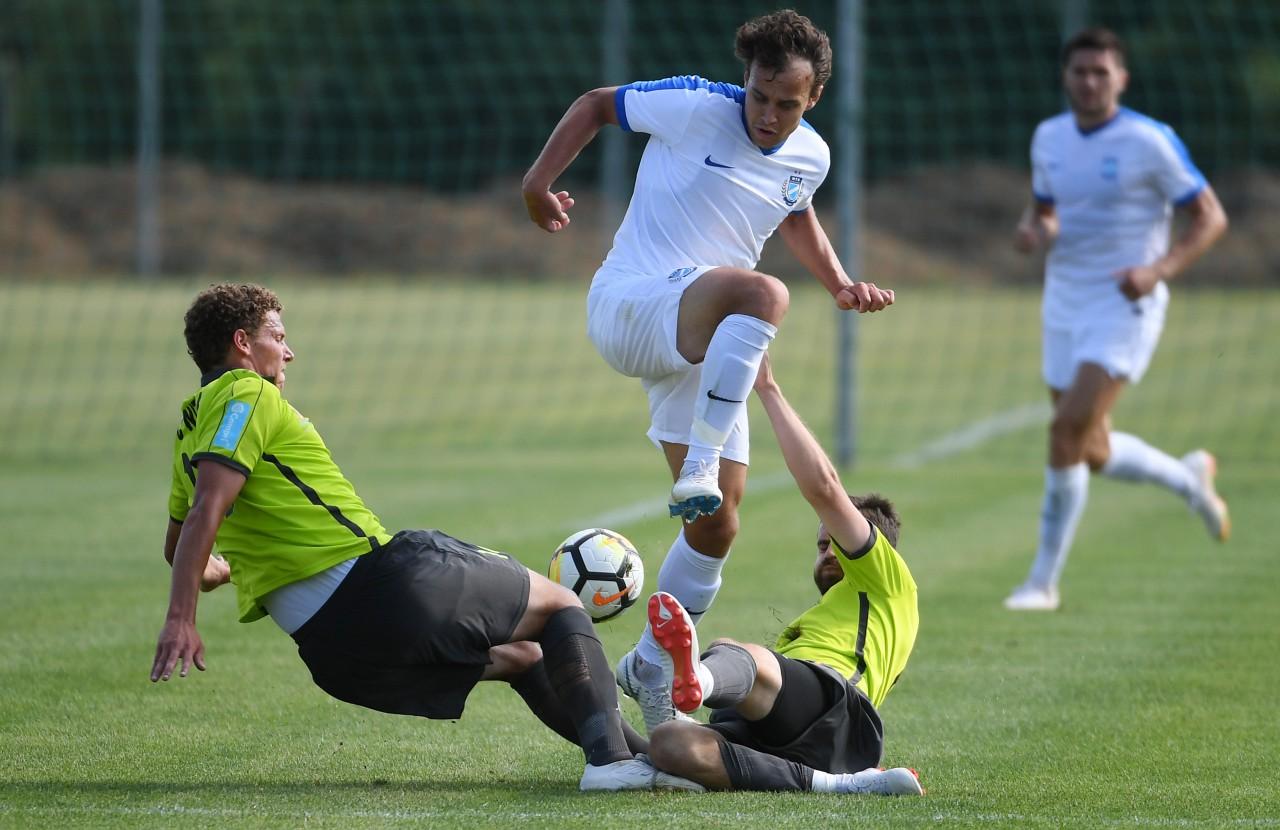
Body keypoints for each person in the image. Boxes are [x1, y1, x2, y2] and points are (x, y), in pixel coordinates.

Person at [149, 283, 702, 793]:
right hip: (382, 590)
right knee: (559, 603)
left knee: (524, 655)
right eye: (277, 336)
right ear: (242, 343)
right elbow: (208, 509)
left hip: (338, 658)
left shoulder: (189, 430)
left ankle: (647, 760)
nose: (288, 352)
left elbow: (184, 549)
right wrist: (181, 618)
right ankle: (611, 764)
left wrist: (233, 568)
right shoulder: (246, 393)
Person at [522, 8, 893, 732]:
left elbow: (794, 212)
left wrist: (842, 283)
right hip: (632, 303)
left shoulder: (810, 156)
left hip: (702, 335)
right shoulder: (695, 105)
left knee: (718, 526)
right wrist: (538, 182)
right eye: (759, 95)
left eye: (787, 103)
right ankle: (698, 462)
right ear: (744, 79)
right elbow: (596, 104)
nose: (767, 115)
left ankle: (648, 666)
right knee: (765, 294)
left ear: (814, 98)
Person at [1004, 27, 1230, 612]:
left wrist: (1158, 269)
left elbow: (1210, 217)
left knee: (1065, 431)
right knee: (1090, 447)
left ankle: (1042, 583)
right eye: (1080, 71)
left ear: (1121, 79)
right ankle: (1188, 479)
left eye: (1101, 72)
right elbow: (1047, 210)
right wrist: (1035, 230)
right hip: (1064, 301)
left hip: (1124, 304)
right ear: (1066, 77)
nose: (1089, 82)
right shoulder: (1049, 136)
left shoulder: (1150, 141)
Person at [636, 355, 922, 795]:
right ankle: (835, 785)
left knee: (739, 652)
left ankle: (695, 678)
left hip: (839, 713)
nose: (828, 552)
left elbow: (824, 489)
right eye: (821, 546)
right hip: (799, 742)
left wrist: (768, 389)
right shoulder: (825, 620)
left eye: (836, 542)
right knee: (669, 744)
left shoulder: (887, 582)